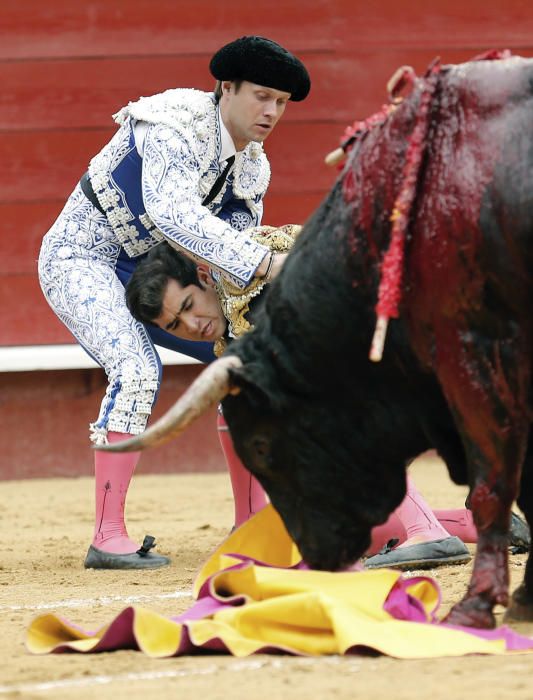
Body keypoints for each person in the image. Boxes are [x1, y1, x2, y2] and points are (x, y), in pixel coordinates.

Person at [37, 36, 311, 570]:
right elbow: (172, 213)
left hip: (163, 282)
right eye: (261, 96)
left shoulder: (252, 167)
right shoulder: (173, 121)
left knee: (241, 362)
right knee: (136, 367)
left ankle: (249, 526)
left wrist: (246, 306)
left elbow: (226, 260)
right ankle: (107, 536)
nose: (272, 112)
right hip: (84, 258)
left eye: (280, 101)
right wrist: (266, 265)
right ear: (226, 88)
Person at [126, 241, 532, 569]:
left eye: (187, 306)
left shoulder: (246, 274)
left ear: (202, 276)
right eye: (175, 327)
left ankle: (430, 533)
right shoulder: (231, 332)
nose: (192, 325)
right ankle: (475, 524)